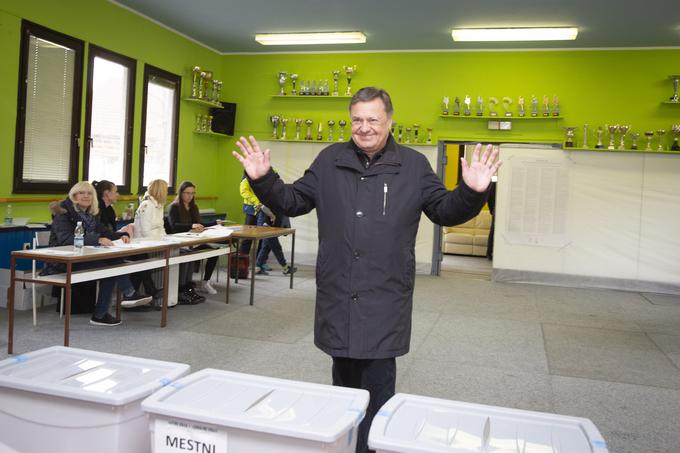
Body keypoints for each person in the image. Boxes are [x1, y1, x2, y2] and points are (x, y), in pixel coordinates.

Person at [232, 87, 501, 453]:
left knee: (377, 387)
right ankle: (345, 445)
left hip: (384, 295)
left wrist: (472, 192)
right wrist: (263, 179)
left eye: (373, 119)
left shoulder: (413, 165)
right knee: (342, 384)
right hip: (339, 290)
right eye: (357, 119)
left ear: (389, 121)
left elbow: (444, 210)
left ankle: (373, 447)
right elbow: (293, 201)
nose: (365, 127)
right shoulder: (329, 160)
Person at [44, 181, 152, 326]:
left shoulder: (89, 215)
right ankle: (126, 295)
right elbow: (66, 239)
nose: (86, 196)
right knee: (110, 269)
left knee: (112, 265)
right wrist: (98, 239)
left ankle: (106, 311)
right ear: (74, 195)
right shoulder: (63, 213)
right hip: (62, 261)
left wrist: (121, 235)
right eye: (81, 193)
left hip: (82, 257)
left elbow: (105, 231)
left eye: (89, 193)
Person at [135, 179, 204, 305]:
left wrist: (167, 240)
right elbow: (145, 232)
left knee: (187, 253)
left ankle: (185, 287)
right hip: (145, 244)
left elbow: (161, 228)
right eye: (166, 190)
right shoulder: (146, 205)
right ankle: (179, 290)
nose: (167, 192)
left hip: (157, 242)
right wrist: (163, 241)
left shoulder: (159, 206)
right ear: (160, 190)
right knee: (182, 254)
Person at [93, 179, 161, 306]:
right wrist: (120, 235)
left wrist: (121, 235)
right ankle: (136, 293)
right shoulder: (97, 210)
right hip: (100, 247)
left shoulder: (110, 210)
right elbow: (101, 233)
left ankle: (135, 294)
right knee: (136, 257)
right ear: (107, 193)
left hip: (111, 245)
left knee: (140, 256)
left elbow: (109, 232)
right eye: (115, 192)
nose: (118, 194)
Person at [167, 181, 219, 295]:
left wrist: (215, 223)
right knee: (189, 254)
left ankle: (206, 282)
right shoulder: (173, 207)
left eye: (192, 193)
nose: (190, 196)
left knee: (215, 252)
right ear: (180, 193)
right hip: (181, 242)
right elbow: (174, 226)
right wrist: (191, 226)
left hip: (194, 241)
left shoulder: (193, 207)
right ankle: (184, 285)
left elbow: (199, 224)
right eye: (187, 193)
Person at [255, 205, 297, 276]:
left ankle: (257, 268)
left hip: (267, 224)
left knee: (266, 247)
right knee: (276, 247)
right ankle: (285, 267)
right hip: (265, 225)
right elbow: (263, 207)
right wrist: (272, 216)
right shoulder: (270, 195)